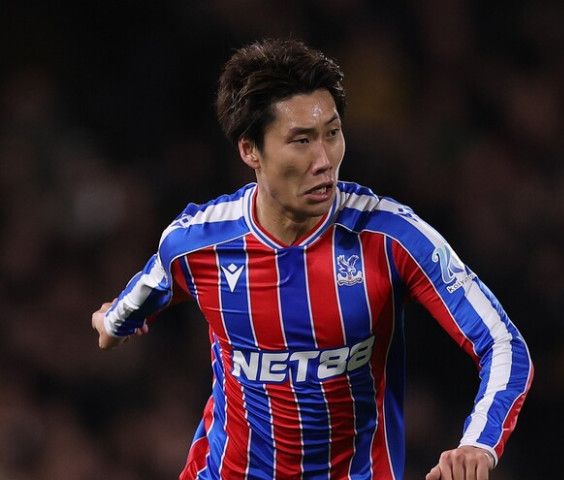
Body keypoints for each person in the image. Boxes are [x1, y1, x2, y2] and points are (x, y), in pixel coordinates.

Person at [92, 38, 533, 480]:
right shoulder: (196, 243)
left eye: (332, 133)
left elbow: (502, 342)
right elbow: (132, 304)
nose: (324, 160)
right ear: (250, 150)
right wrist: (113, 324)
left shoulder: (391, 237)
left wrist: (478, 442)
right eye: (301, 140)